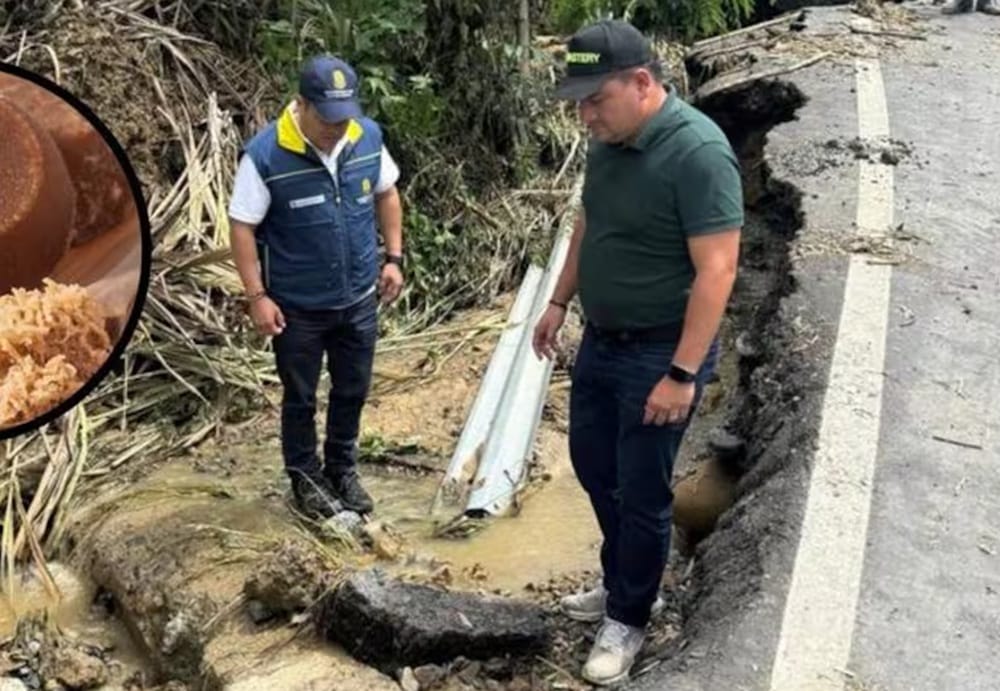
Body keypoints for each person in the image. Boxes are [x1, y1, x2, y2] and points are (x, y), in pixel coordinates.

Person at [533, 20, 743, 686]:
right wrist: (559, 300)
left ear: (643, 83)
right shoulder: (607, 142)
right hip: (602, 339)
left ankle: (629, 616)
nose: (585, 116)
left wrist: (681, 373)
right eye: (579, 102)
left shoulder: (698, 153)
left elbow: (718, 270)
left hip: (661, 350)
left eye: (596, 99)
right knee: (594, 465)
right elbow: (588, 222)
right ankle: (622, 579)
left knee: (644, 489)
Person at [227, 55, 405, 520]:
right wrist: (257, 297)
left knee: (352, 388)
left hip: (359, 297)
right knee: (301, 396)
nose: (335, 128)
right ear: (301, 105)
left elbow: (387, 193)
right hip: (297, 307)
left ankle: (342, 470)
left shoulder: (366, 137)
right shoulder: (265, 156)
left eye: (343, 117)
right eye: (326, 118)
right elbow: (242, 226)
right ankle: (305, 478)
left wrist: (394, 258)